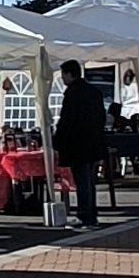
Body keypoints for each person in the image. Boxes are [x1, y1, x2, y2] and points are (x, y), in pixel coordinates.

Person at [54, 59, 106, 228]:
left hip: (79, 144)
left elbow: (67, 120)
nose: (62, 78)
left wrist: (58, 141)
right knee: (89, 182)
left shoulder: (73, 93)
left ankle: (85, 216)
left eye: (63, 74)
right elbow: (101, 118)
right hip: (94, 143)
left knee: (83, 182)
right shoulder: (94, 92)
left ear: (70, 74)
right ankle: (91, 215)